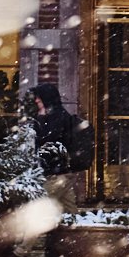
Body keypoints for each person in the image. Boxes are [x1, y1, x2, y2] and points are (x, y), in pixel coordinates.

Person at [28, 83, 90, 215]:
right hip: (61, 172)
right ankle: (73, 231)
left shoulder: (56, 117)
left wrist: (41, 117)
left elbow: (48, 141)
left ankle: (36, 235)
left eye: (39, 97)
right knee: (67, 208)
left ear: (47, 98)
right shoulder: (54, 115)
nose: (36, 100)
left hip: (58, 173)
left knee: (39, 207)